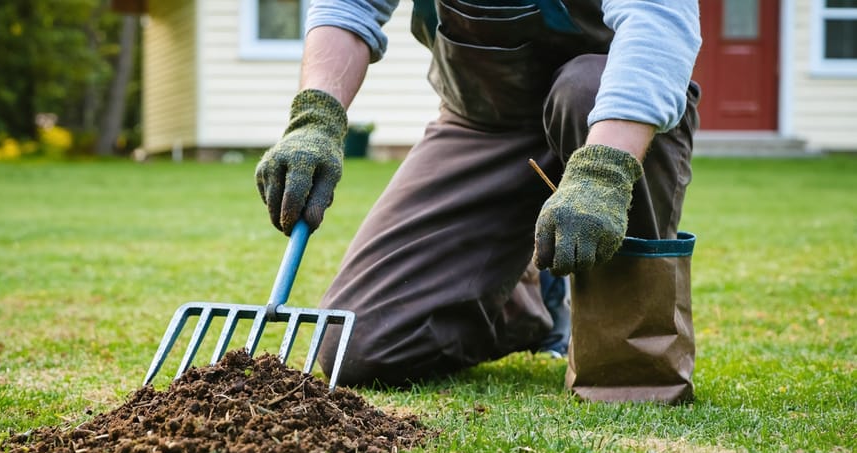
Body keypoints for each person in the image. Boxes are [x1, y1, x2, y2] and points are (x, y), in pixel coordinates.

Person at [255, 0, 702, 403]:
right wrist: (316, 117)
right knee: (356, 346)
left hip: (609, 118)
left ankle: (623, 350)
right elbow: (349, 6)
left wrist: (605, 170)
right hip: (483, 123)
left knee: (584, 89)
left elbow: (657, 21)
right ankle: (527, 300)